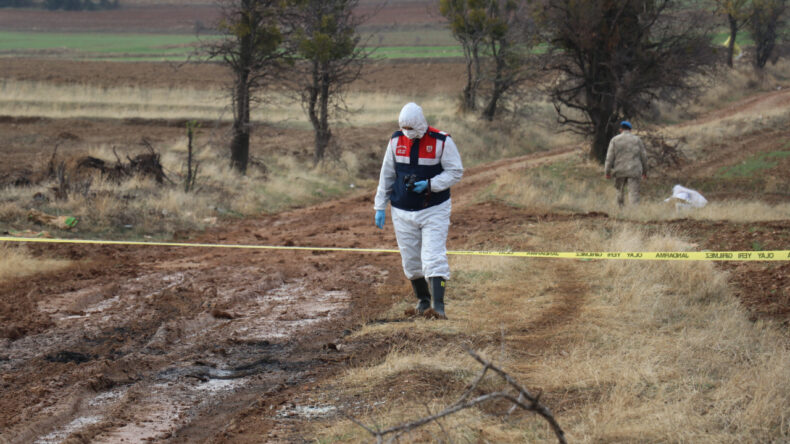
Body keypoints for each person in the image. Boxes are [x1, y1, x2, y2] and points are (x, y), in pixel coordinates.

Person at [374, 103, 464, 319]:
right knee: (411, 260)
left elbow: (456, 172)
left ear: (421, 123)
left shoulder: (442, 141)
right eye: (404, 128)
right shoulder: (396, 141)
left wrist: (431, 184)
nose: (409, 133)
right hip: (402, 210)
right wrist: (379, 206)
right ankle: (423, 302)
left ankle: (438, 307)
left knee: (433, 256)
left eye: (412, 128)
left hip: (434, 208)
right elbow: (386, 175)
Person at [605, 121, 648, 207]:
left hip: (619, 170)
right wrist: (645, 172)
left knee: (619, 192)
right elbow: (644, 157)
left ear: (620, 129)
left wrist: (607, 172)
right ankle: (634, 215)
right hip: (634, 170)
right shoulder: (637, 140)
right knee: (634, 193)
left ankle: (620, 211)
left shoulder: (615, 140)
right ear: (630, 129)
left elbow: (609, 158)